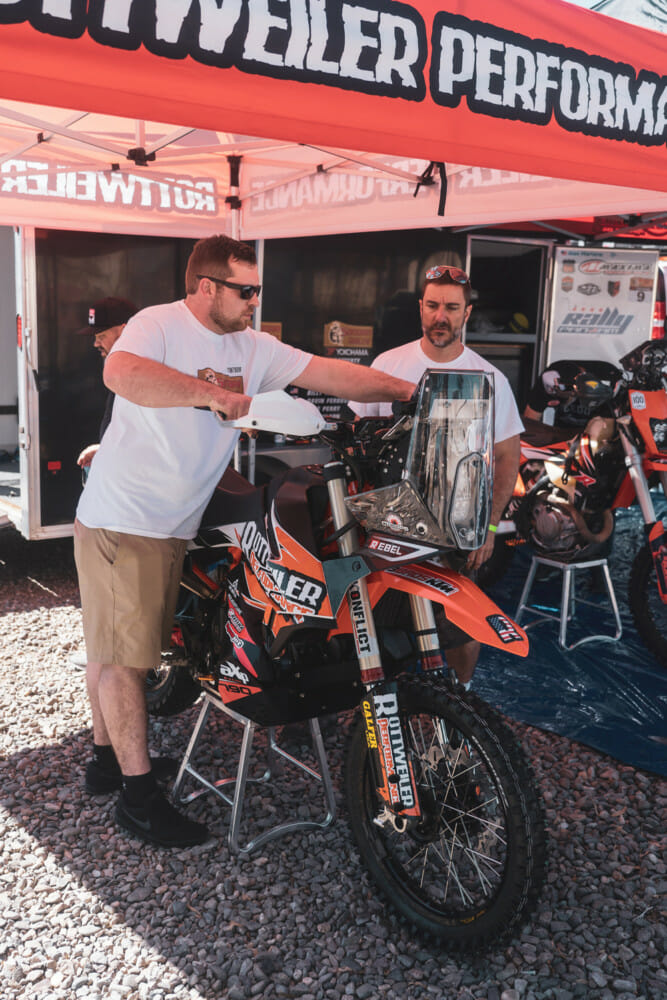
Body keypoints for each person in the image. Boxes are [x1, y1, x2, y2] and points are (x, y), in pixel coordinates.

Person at [74, 234, 416, 849]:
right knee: (128, 659)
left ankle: (103, 763)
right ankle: (137, 799)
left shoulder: (253, 345)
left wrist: (405, 392)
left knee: (111, 645)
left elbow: (330, 371)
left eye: (257, 289)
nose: (255, 301)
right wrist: (215, 393)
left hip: (179, 515)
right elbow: (120, 371)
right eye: (245, 290)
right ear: (207, 287)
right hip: (128, 516)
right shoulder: (157, 324)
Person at [350, 264, 523, 688]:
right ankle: (385, 704)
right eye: (432, 306)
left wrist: (491, 525)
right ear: (420, 309)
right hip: (388, 522)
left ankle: (457, 701)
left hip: (457, 524)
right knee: (381, 619)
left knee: (461, 624)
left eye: (451, 307)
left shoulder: (490, 378)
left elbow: (507, 457)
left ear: (466, 313)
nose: (440, 316)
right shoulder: (389, 365)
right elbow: (357, 443)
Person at [76, 297, 138, 468]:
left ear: (124, 331)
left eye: (101, 336)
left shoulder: (144, 373)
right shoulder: (122, 368)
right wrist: (104, 449)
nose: (96, 343)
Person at [523, 359, 621, 428]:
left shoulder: (606, 378)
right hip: (562, 436)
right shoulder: (549, 379)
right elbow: (530, 422)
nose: (555, 403)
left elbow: (612, 424)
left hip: (595, 437)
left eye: (566, 395)